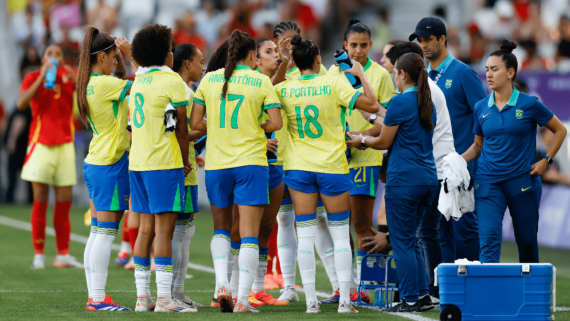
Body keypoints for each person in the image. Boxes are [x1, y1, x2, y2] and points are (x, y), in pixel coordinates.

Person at [274, 34, 380, 313]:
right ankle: (345, 300)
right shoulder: (332, 82)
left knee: (305, 235)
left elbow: (266, 93)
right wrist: (359, 75)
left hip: (299, 168)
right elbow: (371, 105)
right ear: (319, 60)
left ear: (295, 63)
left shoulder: (285, 88)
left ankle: (310, 302)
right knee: (338, 232)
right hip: (332, 166)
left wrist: (285, 64)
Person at [189, 30, 283, 313]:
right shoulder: (261, 80)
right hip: (251, 164)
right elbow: (275, 123)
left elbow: (195, 121)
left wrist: (219, 126)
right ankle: (243, 300)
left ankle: (221, 285)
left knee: (221, 229)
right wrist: (253, 126)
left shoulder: (210, 79)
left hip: (217, 164)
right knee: (250, 234)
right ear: (252, 55)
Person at [462, 40, 567, 263]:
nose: (488, 75)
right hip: (488, 182)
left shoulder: (529, 104)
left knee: (527, 242)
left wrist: (547, 160)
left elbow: (560, 130)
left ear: (510, 73)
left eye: (495, 69)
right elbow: (477, 146)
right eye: (487, 69)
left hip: (523, 181)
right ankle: (488, 297)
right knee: (488, 240)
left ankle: (530, 296)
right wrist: (457, 160)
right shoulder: (481, 107)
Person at [349, 52, 437, 313]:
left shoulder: (400, 101)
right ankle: (421, 295)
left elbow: (384, 141)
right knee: (412, 240)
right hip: (427, 179)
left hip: (404, 180)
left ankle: (409, 299)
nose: (393, 77)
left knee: (401, 242)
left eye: (394, 73)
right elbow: (397, 124)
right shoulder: (424, 100)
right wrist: (373, 119)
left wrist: (362, 140)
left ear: (402, 74)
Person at [326, 18, 395, 304]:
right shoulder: (333, 71)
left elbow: (389, 120)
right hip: (334, 157)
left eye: (364, 45)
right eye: (353, 45)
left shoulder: (379, 74)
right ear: (344, 45)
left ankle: (367, 289)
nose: (358, 51)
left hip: (364, 156)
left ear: (371, 44)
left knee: (360, 224)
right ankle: (348, 286)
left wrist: (360, 136)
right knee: (336, 225)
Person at [128, 24, 194, 313]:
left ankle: (144, 299)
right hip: (163, 163)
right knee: (164, 232)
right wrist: (184, 160)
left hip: (138, 164)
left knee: (144, 230)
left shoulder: (137, 82)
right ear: (165, 53)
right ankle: (166, 299)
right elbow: (181, 128)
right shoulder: (173, 82)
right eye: (169, 48)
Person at [410, 16, 485, 263]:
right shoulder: (422, 76)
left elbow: (484, 116)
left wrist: (472, 157)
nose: (423, 45)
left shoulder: (463, 73)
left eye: (428, 40)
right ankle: (444, 289)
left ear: (443, 39)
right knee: (438, 231)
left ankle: (471, 284)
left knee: (463, 227)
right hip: (433, 165)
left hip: (460, 164)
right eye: (419, 40)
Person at [76, 26, 134, 311]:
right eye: (113, 55)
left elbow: (120, 83)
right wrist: (133, 55)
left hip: (96, 161)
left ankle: (95, 296)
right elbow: (143, 86)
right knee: (107, 233)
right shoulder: (106, 84)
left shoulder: (91, 83)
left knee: (98, 232)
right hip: (111, 163)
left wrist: (120, 60)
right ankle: (97, 299)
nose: (116, 59)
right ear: (102, 57)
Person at [17, 44, 81, 269]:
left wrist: (78, 83)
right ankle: (39, 254)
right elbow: (21, 104)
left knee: (63, 204)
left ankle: (62, 254)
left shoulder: (70, 76)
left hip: (65, 146)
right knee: (40, 202)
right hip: (40, 146)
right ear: (43, 58)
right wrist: (42, 77)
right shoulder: (33, 76)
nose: (53, 57)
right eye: (49, 54)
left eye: (58, 54)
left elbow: (85, 109)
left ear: (63, 60)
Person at [249, 37, 290, 306]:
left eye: (276, 51)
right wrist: (259, 140)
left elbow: (275, 82)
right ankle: (227, 289)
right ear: (255, 58)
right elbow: (234, 126)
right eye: (269, 52)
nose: (274, 55)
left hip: (273, 164)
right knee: (240, 231)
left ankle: (258, 288)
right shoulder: (247, 85)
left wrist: (284, 59)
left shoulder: (267, 85)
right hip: (248, 163)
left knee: (265, 229)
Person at [170, 43, 207, 309]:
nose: (202, 67)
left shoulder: (189, 89)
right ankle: (171, 293)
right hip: (179, 167)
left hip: (188, 165)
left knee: (187, 231)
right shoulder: (180, 89)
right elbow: (175, 130)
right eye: (200, 62)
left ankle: (178, 292)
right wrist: (214, 128)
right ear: (186, 64)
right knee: (177, 232)